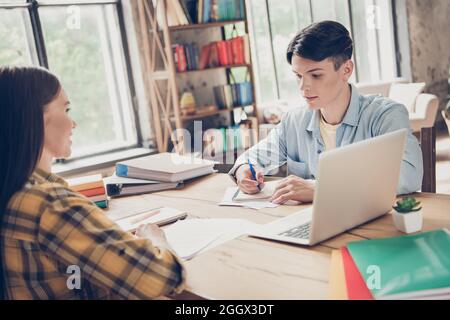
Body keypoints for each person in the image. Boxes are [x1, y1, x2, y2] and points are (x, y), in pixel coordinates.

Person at [0, 66, 185, 299]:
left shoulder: (14, 191)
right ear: (37, 118)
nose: (73, 123)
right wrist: (154, 237)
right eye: (66, 109)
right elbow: (163, 277)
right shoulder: (49, 204)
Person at [229, 21, 423, 204]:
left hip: (371, 223)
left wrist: (321, 189)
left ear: (346, 70)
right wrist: (244, 171)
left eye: (316, 75)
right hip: (308, 225)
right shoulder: (293, 121)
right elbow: (252, 158)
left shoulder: (385, 115)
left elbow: (409, 174)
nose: (303, 87)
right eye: (298, 76)